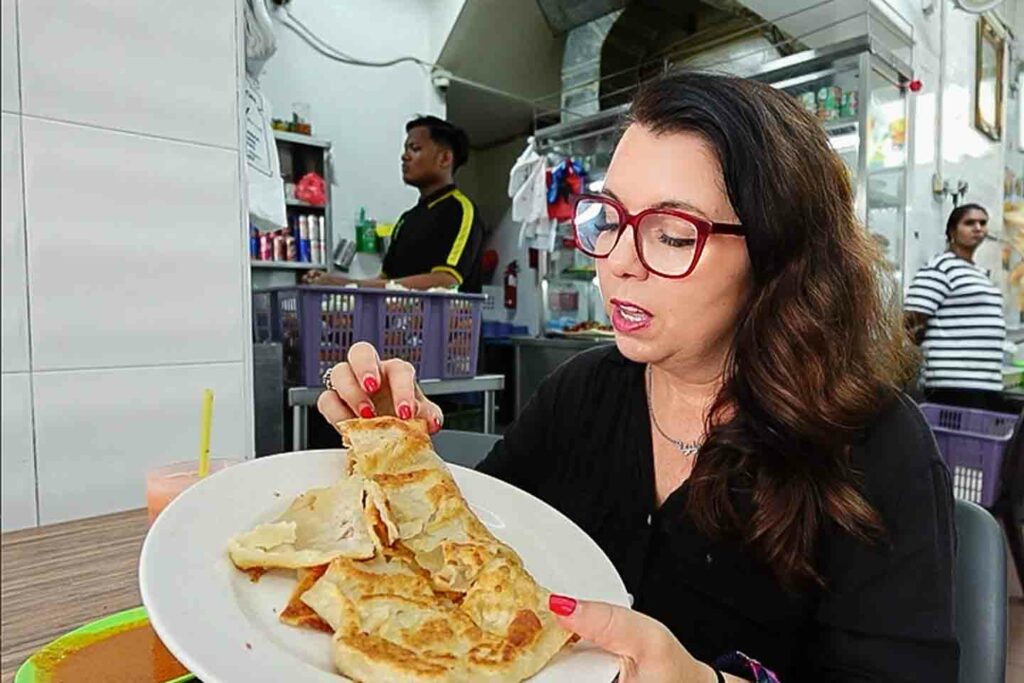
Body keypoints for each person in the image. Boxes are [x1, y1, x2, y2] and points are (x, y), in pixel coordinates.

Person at [316, 72, 957, 682]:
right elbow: (466, 555)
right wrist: (403, 460)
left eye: (673, 235)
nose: (619, 262)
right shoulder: (583, 393)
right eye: (609, 220)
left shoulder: (872, 448)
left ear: (777, 254)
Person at [304, 115, 484, 292]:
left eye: (415, 148)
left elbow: (445, 282)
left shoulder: (459, 210)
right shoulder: (407, 220)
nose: (404, 156)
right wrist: (339, 289)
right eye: (405, 149)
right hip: (402, 321)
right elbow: (386, 281)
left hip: (447, 321)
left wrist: (343, 284)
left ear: (444, 159)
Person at [905, 203, 1006, 410]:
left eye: (983, 223)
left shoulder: (978, 273)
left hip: (984, 382)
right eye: (969, 223)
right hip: (953, 384)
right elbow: (910, 320)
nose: (978, 228)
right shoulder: (940, 268)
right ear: (952, 231)